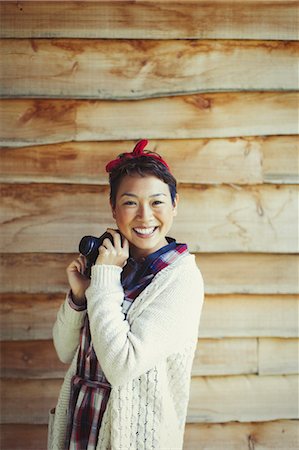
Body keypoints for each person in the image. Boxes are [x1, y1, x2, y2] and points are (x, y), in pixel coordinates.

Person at [48, 139, 204, 450]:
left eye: (157, 202)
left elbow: (122, 367)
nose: (145, 216)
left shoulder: (181, 279)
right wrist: (80, 298)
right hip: (80, 424)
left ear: (175, 204)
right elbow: (66, 353)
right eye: (131, 202)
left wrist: (103, 278)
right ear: (114, 208)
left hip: (131, 438)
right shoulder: (112, 264)